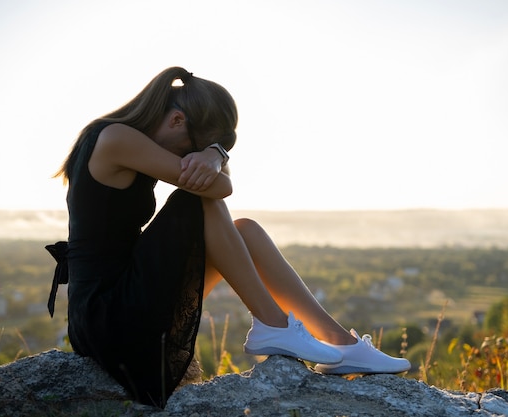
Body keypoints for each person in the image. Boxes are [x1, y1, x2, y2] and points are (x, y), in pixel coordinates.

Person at [46, 66, 410, 408]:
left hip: (127, 296)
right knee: (197, 195)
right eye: (186, 152)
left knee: (245, 229)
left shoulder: (128, 136)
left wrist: (214, 153)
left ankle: (341, 345)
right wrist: (214, 160)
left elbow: (217, 180)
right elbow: (219, 187)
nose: (186, 160)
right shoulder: (115, 138)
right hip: (107, 316)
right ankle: (274, 325)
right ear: (176, 120)